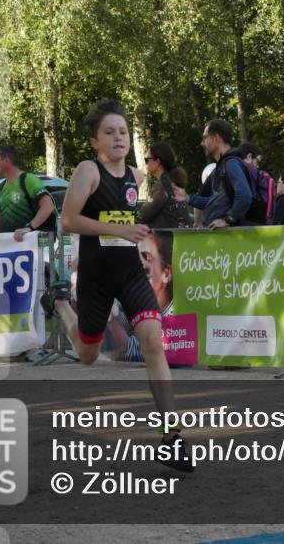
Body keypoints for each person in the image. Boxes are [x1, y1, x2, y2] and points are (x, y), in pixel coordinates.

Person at [43, 98, 193, 471]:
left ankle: (172, 436)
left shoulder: (137, 177)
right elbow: (70, 220)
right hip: (96, 276)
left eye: (123, 131)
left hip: (128, 272)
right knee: (88, 356)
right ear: (94, 141)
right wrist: (119, 229)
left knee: (153, 341)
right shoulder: (87, 172)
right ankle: (61, 305)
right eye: (109, 133)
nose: (118, 138)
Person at [107, 231, 175, 362]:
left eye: (147, 257)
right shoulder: (129, 304)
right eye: (135, 258)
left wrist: (111, 319)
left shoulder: (177, 313)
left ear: (166, 275)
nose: (140, 264)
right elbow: (112, 349)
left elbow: (134, 352)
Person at [0, 143, 56, 242]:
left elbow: (48, 206)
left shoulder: (28, 179)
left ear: (7, 160)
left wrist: (29, 228)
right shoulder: (0, 187)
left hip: (34, 246)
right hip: (11, 248)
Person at [202, 120, 253, 229]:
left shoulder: (231, 164)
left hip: (229, 237)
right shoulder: (222, 165)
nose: (202, 143)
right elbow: (214, 202)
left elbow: (245, 196)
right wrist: (188, 198)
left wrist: (228, 220)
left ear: (216, 138)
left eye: (204, 138)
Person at [137, 142, 191, 229]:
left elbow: (142, 216)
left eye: (147, 160)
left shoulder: (162, 186)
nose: (146, 164)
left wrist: (125, 216)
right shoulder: (173, 181)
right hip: (179, 237)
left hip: (167, 240)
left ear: (157, 162)